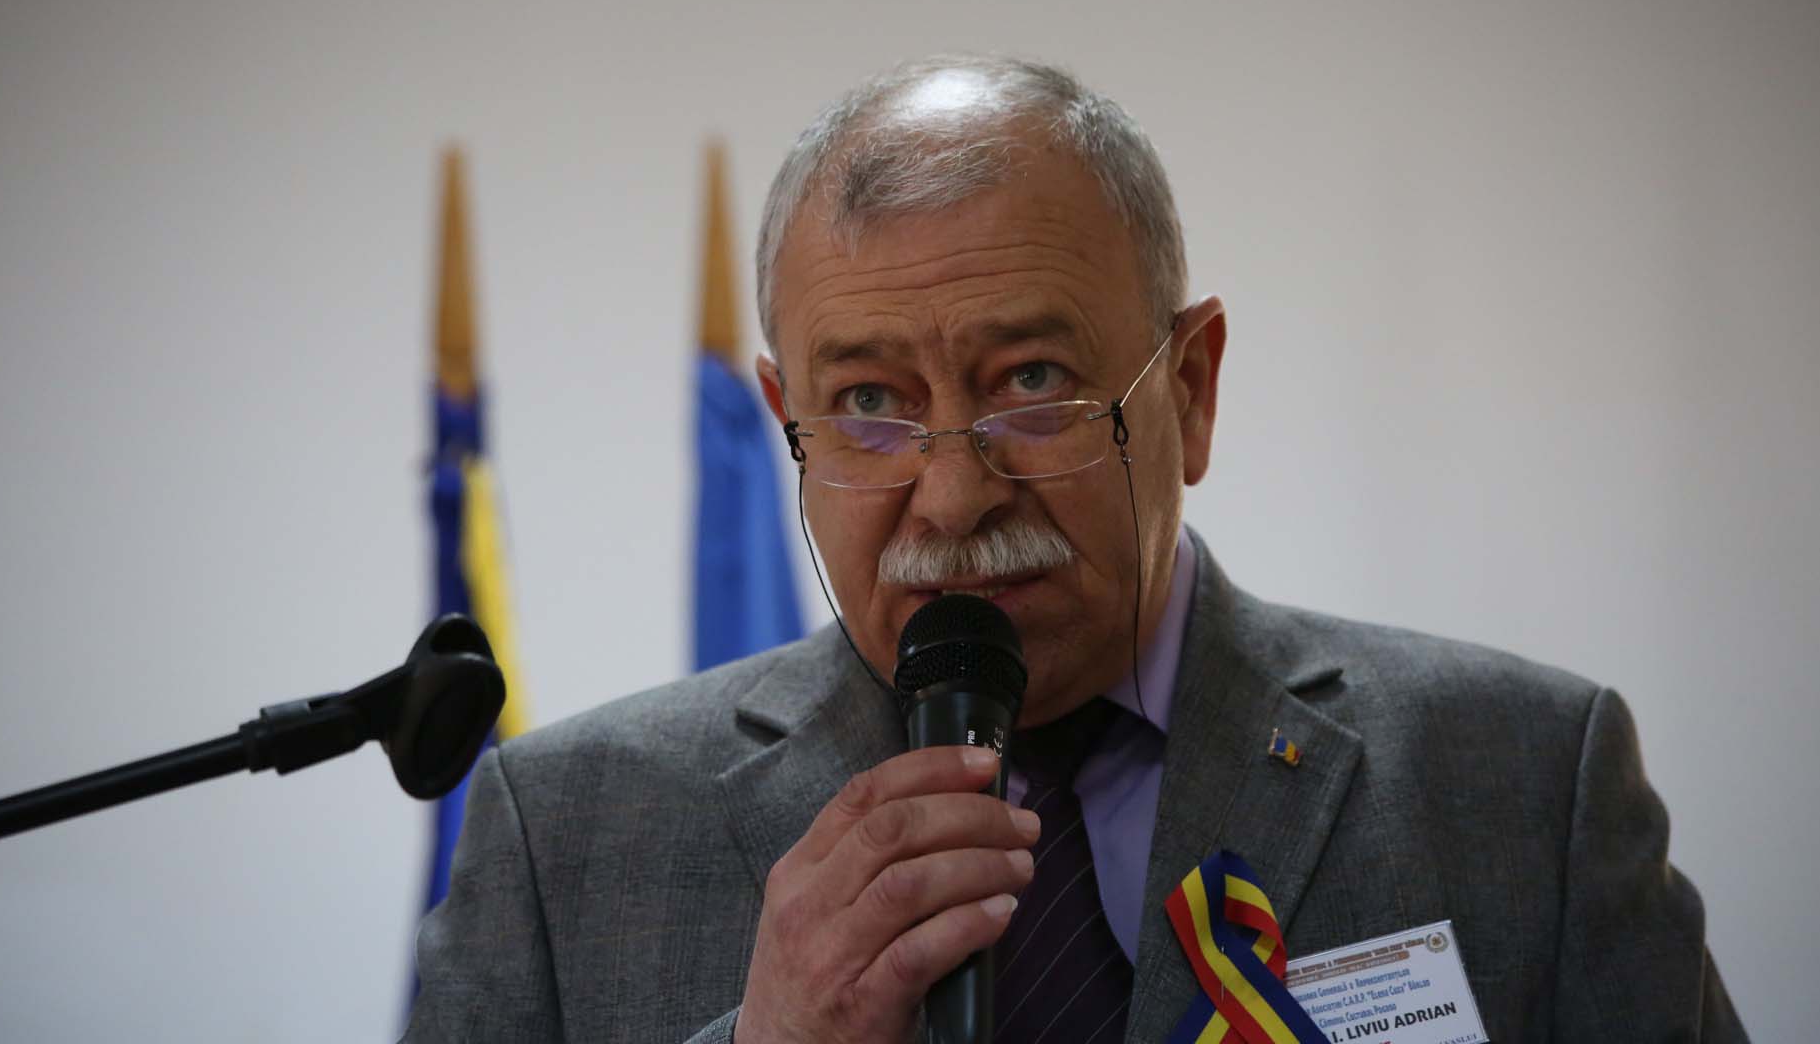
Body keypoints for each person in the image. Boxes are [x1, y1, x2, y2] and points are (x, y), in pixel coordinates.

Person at [405, 56, 1745, 1042]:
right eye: (867, 401)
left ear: (1192, 389)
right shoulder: (566, 840)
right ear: (786, 427)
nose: (949, 497)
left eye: (1032, 379)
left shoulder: (1523, 785)